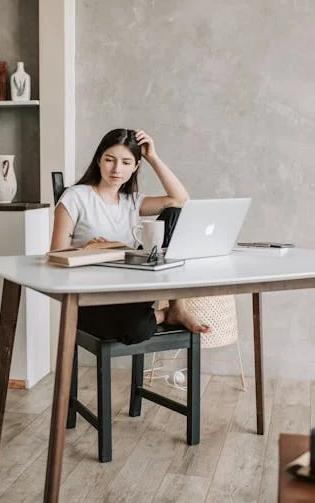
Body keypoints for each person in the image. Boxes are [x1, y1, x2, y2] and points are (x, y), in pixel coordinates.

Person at [51, 128, 210, 345]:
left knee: (174, 213)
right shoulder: (76, 197)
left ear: (135, 167)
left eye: (126, 162)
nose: (117, 169)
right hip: (91, 297)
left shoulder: (132, 202)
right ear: (99, 160)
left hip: (130, 292)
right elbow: (55, 255)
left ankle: (177, 306)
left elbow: (181, 200)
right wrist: (85, 248)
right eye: (110, 160)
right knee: (135, 329)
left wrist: (152, 157)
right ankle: (164, 315)